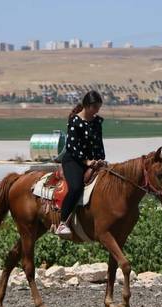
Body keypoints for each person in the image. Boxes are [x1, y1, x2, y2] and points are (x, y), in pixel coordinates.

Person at [55, 90, 106, 237]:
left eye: (98, 108)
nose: (97, 111)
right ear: (87, 106)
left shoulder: (97, 122)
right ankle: (62, 222)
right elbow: (72, 146)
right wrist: (86, 161)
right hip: (74, 160)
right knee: (76, 187)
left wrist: (100, 159)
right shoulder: (75, 121)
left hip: (93, 161)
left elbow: (98, 144)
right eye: (95, 107)